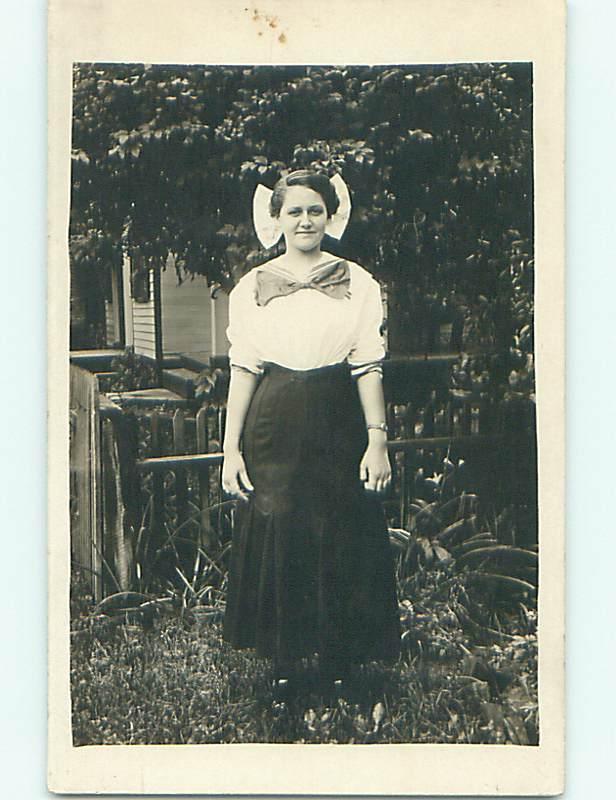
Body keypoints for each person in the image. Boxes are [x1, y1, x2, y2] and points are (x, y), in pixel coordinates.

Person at [221, 169, 400, 701]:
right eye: (294, 210)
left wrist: (377, 438)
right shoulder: (252, 285)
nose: (304, 220)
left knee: (340, 526)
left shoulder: (359, 282)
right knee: (281, 526)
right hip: (273, 420)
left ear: (332, 215)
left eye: (314, 210)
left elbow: (368, 364)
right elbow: (243, 369)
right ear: (275, 219)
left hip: (337, 415)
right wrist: (231, 448)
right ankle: (283, 664)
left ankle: (341, 662)